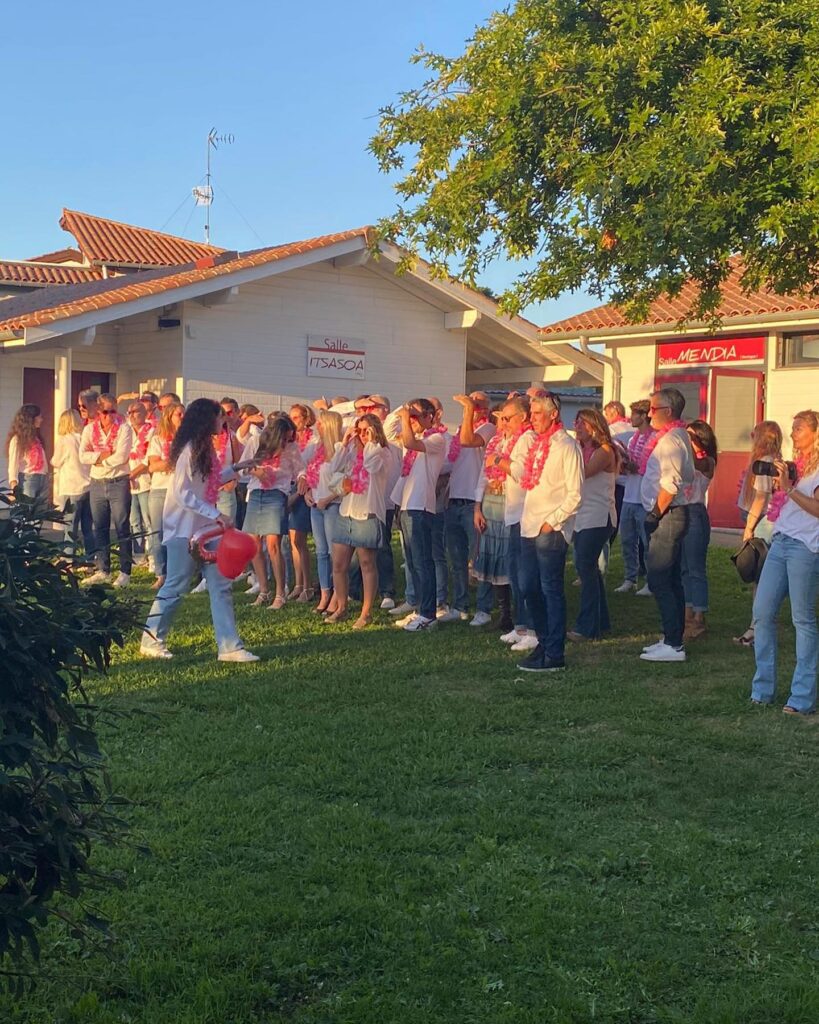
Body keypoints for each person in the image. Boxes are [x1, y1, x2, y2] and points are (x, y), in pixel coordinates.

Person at [140, 398, 258, 663]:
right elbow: (182, 493)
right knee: (176, 585)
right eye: (219, 417)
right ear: (207, 419)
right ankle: (151, 639)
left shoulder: (204, 449)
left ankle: (229, 647)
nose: (223, 422)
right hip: (183, 530)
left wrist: (236, 468)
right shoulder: (189, 450)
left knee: (221, 585)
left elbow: (209, 482)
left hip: (206, 530)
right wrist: (217, 514)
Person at [750, 410, 819, 715]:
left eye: (799, 429)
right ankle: (762, 689)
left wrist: (789, 488)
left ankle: (801, 697)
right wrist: (783, 486)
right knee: (762, 613)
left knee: (802, 620)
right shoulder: (797, 466)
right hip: (781, 541)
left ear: (816, 433)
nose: (792, 434)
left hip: (806, 547)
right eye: (793, 428)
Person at [511, 393, 583, 672]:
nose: (532, 419)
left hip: (551, 529)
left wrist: (552, 521)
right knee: (528, 587)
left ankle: (555, 652)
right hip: (529, 525)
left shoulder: (567, 446)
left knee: (550, 588)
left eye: (537, 413)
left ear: (554, 414)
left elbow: (576, 494)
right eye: (531, 413)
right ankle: (544, 642)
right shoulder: (537, 444)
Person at [473, 395, 534, 645]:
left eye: (507, 418)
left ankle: (523, 622)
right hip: (495, 502)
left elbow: (521, 472)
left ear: (523, 418)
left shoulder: (527, 439)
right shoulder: (498, 441)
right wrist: (477, 506)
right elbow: (484, 475)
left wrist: (498, 461)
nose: (503, 423)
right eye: (501, 418)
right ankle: (509, 616)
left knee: (517, 568)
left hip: (516, 507)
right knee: (501, 561)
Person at [639, 388, 694, 662]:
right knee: (670, 579)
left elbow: (670, 485)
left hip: (668, 514)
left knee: (660, 578)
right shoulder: (676, 435)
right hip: (670, 513)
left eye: (653, 409)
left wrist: (654, 514)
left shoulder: (672, 440)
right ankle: (672, 636)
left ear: (668, 412)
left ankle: (674, 644)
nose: (649, 414)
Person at [325, 414, 392, 628]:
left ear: (375, 431)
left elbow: (371, 466)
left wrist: (371, 441)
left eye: (366, 430)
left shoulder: (381, 452)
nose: (362, 435)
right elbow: (333, 468)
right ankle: (341, 606)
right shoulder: (352, 452)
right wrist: (344, 443)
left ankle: (366, 612)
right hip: (347, 512)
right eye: (360, 430)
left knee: (366, 563)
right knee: (338, 564)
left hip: (367, 513)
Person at [437, 393, 496, 625]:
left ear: (485, 408)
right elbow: (451, 463)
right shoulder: (461, 430)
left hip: (473, 502)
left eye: (477, 404)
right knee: (457, 560)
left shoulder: (488, 428)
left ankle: (483, 608)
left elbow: (469, 440)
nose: (471, 407)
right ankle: (459, 605)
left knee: (479, 558)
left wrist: (469, 409)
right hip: (454, 501)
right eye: (470, 403)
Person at [391, 399, 448, 632]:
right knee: (413, 562)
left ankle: (428, 614)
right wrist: (403, 411)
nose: (411, 421)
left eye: (416, 416)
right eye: (410, 417)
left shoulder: (437, 439)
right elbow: (389, 431)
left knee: (424, 561)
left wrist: (407, 418)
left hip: (421, 506)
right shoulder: (414, 438)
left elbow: (409, 441)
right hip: (406, 504)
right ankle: (420, 609)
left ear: (429, 417)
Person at [240, 414, 304, 609]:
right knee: (253, 543)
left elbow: (300, 470)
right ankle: (264, 590)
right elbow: (241, 467)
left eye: (289, 438)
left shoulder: (291, 448)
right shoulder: (255, 442)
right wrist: (255, 471)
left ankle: (280, 593)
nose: (286, 442)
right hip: (256, 492)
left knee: (273, 543)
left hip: (277, 493)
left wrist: (302, 478)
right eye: (284, 438)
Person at [568, 409, 618, 641]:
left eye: (583, 423)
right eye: (576, 422)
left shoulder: (605, 451)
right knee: (589, 570)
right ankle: (601, 621)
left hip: (599, 516)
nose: (577, 427)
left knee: (585, 567)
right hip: (582, 515)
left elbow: (582, 474)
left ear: (595, 427)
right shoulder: (579, 449)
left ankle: (587, 626)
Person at [733, 420, 783, 646]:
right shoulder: (775, 461)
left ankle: (756, 628)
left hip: (763, 523)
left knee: (759, 576)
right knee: (763, 576)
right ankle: (759, 625)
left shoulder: (765, 463)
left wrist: (749, 528)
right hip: (767, 521)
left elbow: (761, 498)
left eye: (755, 435)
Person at [79, 394, 134, 587]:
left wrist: (100, 460)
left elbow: (122, 456)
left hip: (118, 481)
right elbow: (82, 456)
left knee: (121, 526)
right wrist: (102, 455)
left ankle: (125, 572)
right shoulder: (89, 429)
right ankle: (103, 569)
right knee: (100, 527)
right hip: (97, 482)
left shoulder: (124, 428)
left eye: (113, 411)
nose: (109, 416)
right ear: (98, 411)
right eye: (105, 412)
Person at [301, 410, 344, 613]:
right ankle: (325, 592)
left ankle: (337, 593)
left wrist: (327, 499)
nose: (317, 426)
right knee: (320, 551)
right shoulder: (317, 449)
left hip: (332, 504)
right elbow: (309, 474)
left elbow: (344, 482)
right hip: (316, 504)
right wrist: (308, 492)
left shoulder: (340, 449)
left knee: (333, 552)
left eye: (320, 423)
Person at [681, 419, 718, 641]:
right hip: (681, 510)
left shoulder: (708, 461)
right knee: (683, 568)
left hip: (695, 512)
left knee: (696, 568)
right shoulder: (684, 456)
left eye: (692, 436)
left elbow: (696, 464)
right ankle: (687, 612)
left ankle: (699, 615)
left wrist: (689, 442)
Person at [615, 400, 652, 593]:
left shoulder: (654, 439)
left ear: (644, 416)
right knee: (627, 541)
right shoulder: (632, 439)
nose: (631, 418)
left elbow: (646, 467)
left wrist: (633, 465)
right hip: (629, 495)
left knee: (647, 543)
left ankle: (650, 581)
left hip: (644, 499)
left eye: (635, 414)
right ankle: (630, 578)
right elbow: (632, 464)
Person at [147, 401, 185, 590]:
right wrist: (175, 461)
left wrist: (169, 462)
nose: (183, 418)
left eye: (184, 414)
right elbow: (153, 465)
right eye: (179, 414)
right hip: (160, 489)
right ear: (169, 417)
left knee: (179, 533)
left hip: (180, 490)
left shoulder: (188, 440)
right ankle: (161, 573)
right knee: (158, 532)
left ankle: (178, 573)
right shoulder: (158, 439)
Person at [51, 409, 93, 557]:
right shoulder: (85, 438)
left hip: (71, 486)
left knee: (70, 526)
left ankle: (69, 556)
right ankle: (91, 556)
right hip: (88, 485)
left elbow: (56, 461)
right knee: (88, 526)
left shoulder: (64, 440)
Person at [288, 403, 317, 601]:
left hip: (304, 488)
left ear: (306, 419)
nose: (293, 421)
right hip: (290, 486)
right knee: (293, 541)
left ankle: (308, 585)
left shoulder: (314, 440)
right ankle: (298, 584)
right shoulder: (290, 440)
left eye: (297, 417)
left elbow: (312, 465)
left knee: (300, 540)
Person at [127, 402, 155, 568]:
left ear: (145, 414)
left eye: (135, 412)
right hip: (128, 483)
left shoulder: (152, 431)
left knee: (148, 520)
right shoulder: (126, 431)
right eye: (129, 412)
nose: (131, 415)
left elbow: (148, 459)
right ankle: (138, 555)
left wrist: (133, 474)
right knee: (134, 520)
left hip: (145, 481)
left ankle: (153, 555)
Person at [6, 404, 49, 500]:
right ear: (31, 419)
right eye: (39, 417)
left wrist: (46, 476)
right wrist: (14, 487)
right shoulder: (17, 439)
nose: (41, 420)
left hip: (42, 478)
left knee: (41, 508)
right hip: (28, 479)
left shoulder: (37, 438)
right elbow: (13, 464)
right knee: (27, 507)